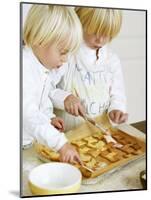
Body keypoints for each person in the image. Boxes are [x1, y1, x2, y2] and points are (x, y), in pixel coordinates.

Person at [23, 5, 84, 164]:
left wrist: (48, 118)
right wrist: (61, 144)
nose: (66, 59)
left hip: (32, 143)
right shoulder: (23, 68)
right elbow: (28, 115)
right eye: (63, 52)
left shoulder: (43, 65)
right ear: (39, 39)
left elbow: (42, 96)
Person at [54, 7, 128, 131]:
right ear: (80, 22)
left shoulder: (112, 60)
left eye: (107, 34)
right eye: (95, 32)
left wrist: (117, 109)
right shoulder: (67, 54)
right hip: (68, 134)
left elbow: (118, 94)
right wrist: (64, 98)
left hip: (100, 133)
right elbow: (46, 89)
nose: (101, 40)